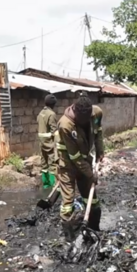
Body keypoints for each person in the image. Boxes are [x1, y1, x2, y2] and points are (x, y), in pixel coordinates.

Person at [55, 94, 104, 240]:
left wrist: (100, 149)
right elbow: (74, 157)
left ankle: (94, 228)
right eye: (81, 120)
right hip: (67, 163)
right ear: (76, 113)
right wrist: (91, 174)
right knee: (68, 201)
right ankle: (69, 238)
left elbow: (98, 132)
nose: (85, 122)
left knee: (91, 197)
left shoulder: (96, 113)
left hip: (84, 158)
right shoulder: (65, 125)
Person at [36, 94, 58, 189]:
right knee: (52, 163)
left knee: (44, 163)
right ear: (53, 104)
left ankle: (45, 184)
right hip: (49, 142)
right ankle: (53, 185)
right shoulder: (51, 114)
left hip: (41, 142)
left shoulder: (41, 113)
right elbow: (54, 130)